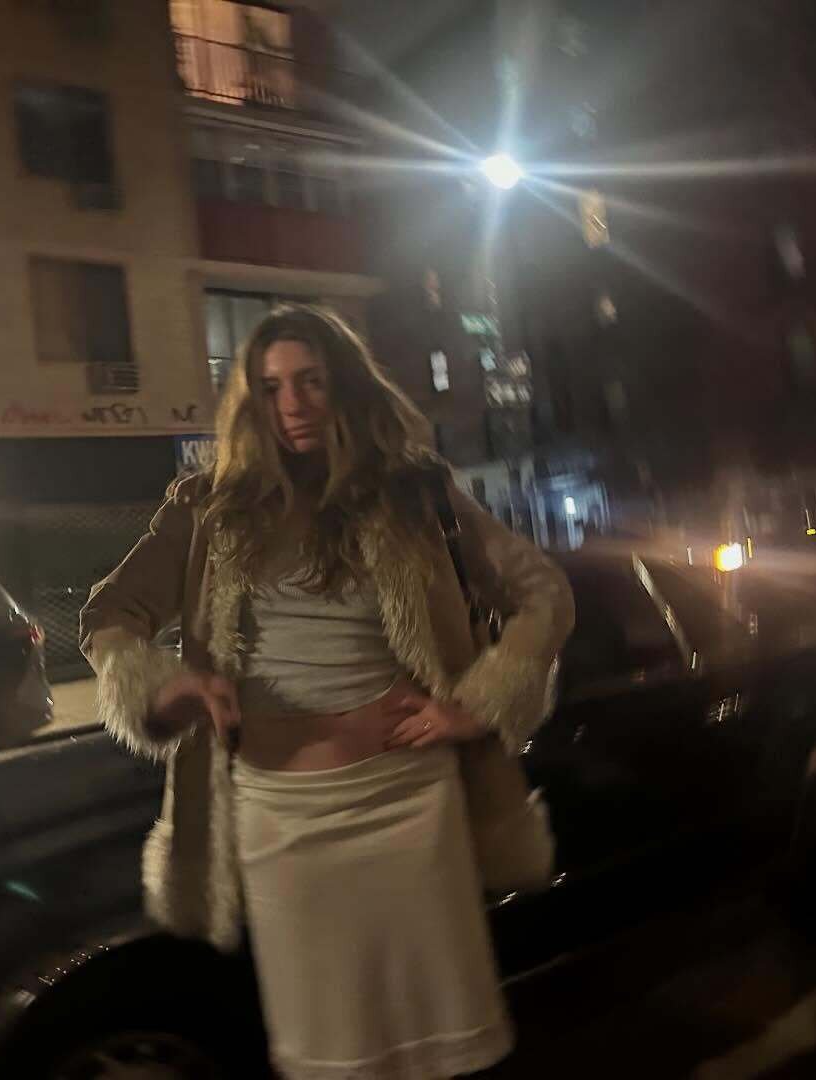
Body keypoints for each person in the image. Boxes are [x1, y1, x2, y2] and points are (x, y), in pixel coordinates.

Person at [80, 305, 574, 1079]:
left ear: (344, 385)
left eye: (310, 381)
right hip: (280, 821)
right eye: (271, 386)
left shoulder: (415, 493)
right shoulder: (207, 508)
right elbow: (108, 617)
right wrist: (171, 688)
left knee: (446, 1050)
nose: (293, 404)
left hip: (412, 806)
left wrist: (477, 703)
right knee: (331, 1056)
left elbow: (542, 591)